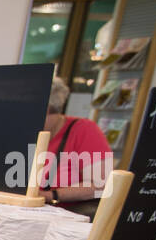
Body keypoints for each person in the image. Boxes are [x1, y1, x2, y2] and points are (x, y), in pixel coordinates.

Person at [39, 75, 112, 215]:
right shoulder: (21, 132)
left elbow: (101, 184)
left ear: (54, 110)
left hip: (66, 220)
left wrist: (50, 195)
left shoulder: (84, 130)